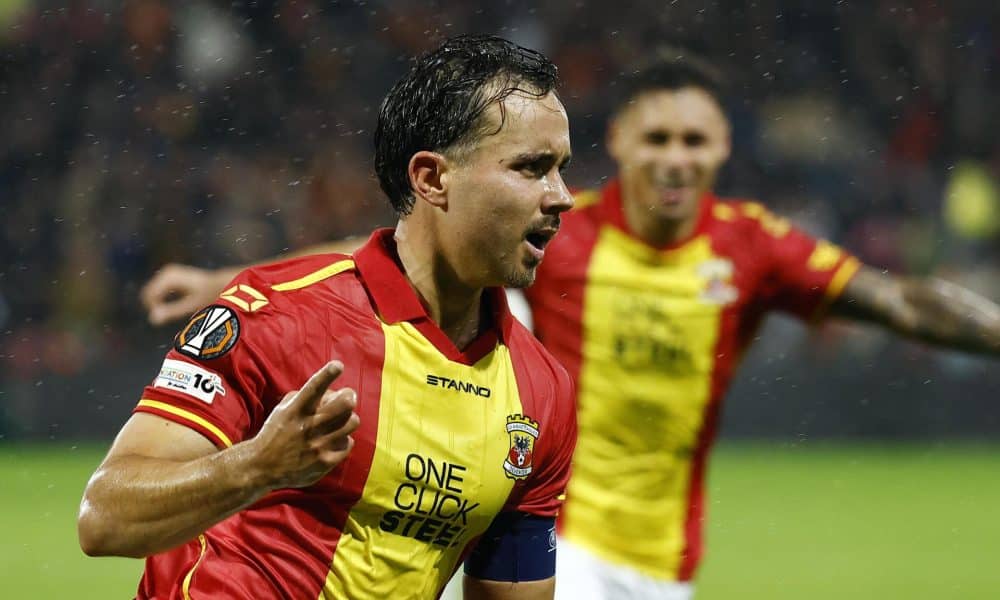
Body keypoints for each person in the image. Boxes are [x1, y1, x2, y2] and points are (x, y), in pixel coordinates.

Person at [139, 47, 1000, 600]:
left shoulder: (753, 248)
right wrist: (229, 280)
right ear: (619, 142)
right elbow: (410, 240)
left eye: (694, 141)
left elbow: (902, 300)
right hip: (551, 527)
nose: (675, 158)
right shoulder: (559, 224)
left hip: (662, 560)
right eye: (655, 137)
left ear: (721, 151)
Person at [79, 34, 578, 600]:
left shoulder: (542, 394)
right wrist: (255, 468)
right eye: (532, 168)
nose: (561, 196)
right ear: (432, 178)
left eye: (561, 168)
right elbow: (104, 517)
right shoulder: (279, 316)